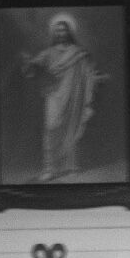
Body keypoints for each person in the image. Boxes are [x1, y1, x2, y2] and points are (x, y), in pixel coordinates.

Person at [22, 14, 99, 181]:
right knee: (51, 129)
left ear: (69, 32)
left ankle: (70, 167)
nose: (61, 33)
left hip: (73, 96)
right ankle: (50, 169)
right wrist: (29, 63)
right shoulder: (48, 53)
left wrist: (94, 78)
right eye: (58, 30)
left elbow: (88, 72)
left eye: (64, 30)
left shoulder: (78, 53)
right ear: (54, 33)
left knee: (71, 129)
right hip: (54, 95)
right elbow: (34, 67)